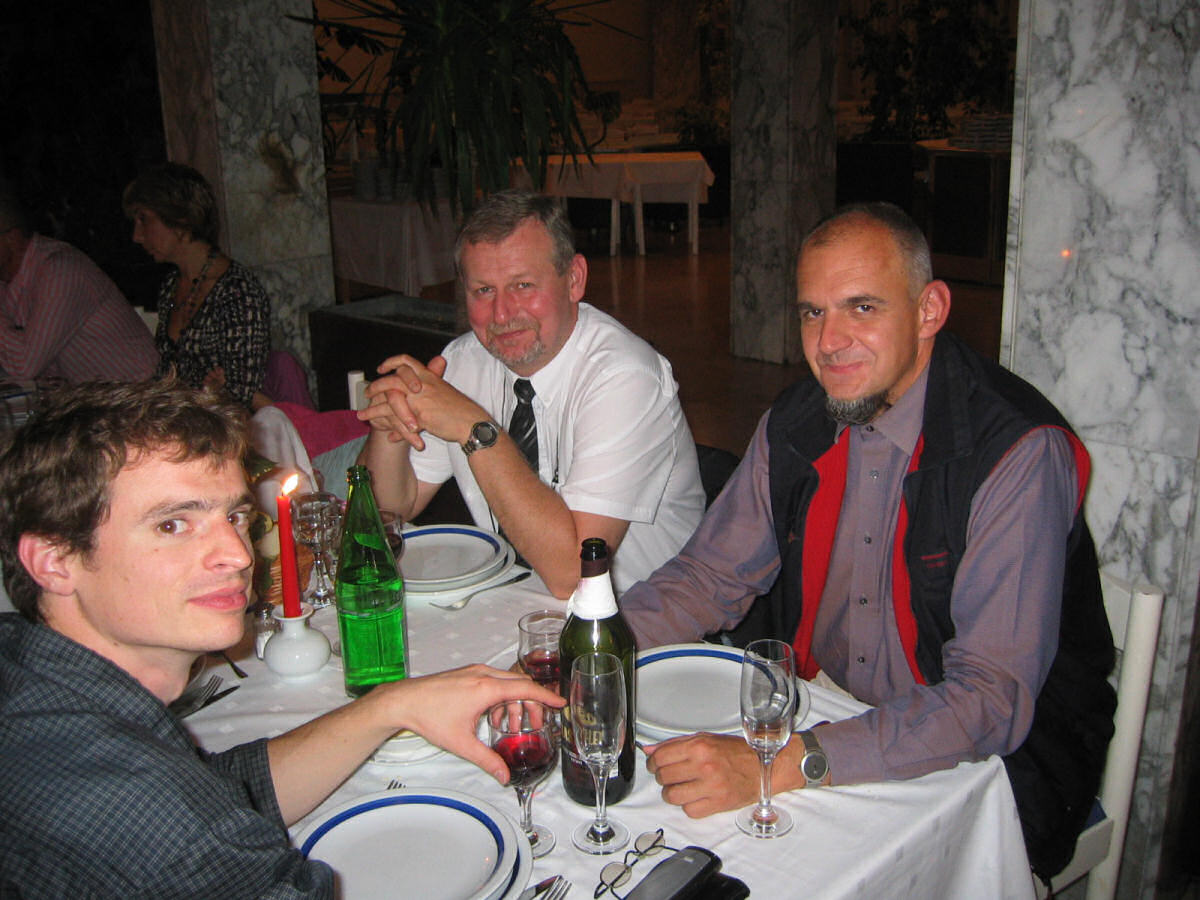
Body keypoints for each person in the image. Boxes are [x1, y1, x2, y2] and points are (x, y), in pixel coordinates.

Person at [619, 202, 1116, 881]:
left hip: (991, 761)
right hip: (826, 707)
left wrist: (788, 761)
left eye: (862, 308)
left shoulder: (1015, 452)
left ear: (929, 310)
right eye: (812, 312)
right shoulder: (797, 420)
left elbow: (988, 700)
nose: (829, 341)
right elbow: (709, 576)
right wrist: (590, 652)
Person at [0, 378, 562, 897]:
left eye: (235, 517)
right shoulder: (152, 821)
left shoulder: (35, 685)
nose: (238, 555)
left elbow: (218, 790)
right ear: (54, 561)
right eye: (173, 524)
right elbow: (183, 823)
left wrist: (391, 706)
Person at [358, 190, 705, 598]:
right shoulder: (462, 363)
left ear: (574, 279)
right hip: (518, 604)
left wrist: (475, 428)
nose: (502, 314)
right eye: (483, 291)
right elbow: (390, 510)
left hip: (637, 617)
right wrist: (391, 427)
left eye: (523, 285)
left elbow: (575, 574)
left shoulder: (627, 378)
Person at [123, 163, 270, 410]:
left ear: (180, 219)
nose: (137, 236)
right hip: (182, 418)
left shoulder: (237, 292)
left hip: (222, 425)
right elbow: (166, 374)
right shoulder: (172, 284)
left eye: (144, 219)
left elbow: (241, 394)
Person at [0, 179, 158, 383]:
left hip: (141, 392)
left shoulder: (59, 270)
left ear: (11, 238)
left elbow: (24, 366)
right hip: (96, 394)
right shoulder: (10, 279)